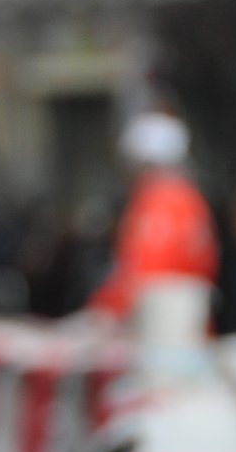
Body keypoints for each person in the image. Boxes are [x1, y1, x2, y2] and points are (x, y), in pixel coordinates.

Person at [86, 112, 217, 320]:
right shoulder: (185, 197)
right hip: (178, 321)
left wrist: (104, 308)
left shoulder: (163, 202)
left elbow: (144, 274)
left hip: (162, 325)